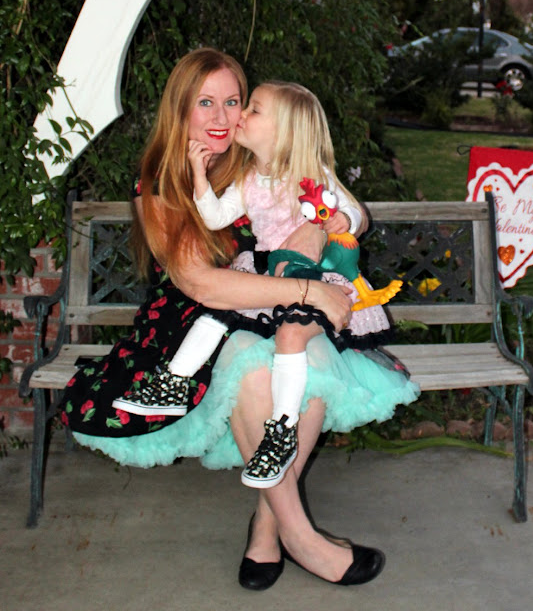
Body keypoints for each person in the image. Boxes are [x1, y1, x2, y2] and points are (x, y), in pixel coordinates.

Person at [60, 47, 419, 591]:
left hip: (276, 306)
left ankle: (266, 528)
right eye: (206, 103)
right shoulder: (163, 182)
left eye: (234, 102)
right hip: (195, 318)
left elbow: (350, 211)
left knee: (313, 359)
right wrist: (308, 289)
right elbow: (201, 284)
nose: (224, 117)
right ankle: (301, 537)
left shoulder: (254, 160)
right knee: (254, 369)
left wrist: (327, 225)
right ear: (180, 109)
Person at [113, 81, 401, 492]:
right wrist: (199, 176)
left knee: (291, 337)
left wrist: (342, 222)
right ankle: (173, 381)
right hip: (267, 272)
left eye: (253, 109)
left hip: (313, 275)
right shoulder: (248, 178)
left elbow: (351, 210)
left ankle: (281, 428)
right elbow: (215, 217)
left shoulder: (310, 177)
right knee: (216, 317)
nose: (241, 116)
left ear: (284, 132)